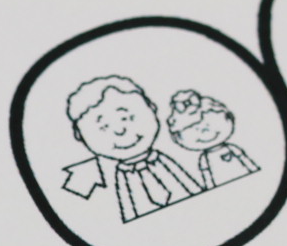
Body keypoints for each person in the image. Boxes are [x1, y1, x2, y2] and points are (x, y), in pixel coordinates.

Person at [59, 76, 203, 221]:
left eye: (126, 118)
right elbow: (130, 210)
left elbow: (190, 187)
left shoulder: (162, 161)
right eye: (104, 127)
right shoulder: (124, 176)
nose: (120, 130)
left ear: (151, 108)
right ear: (80, 135)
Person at [163, 88, 260, 187]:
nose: (205, 131)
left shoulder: (233, 149)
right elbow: (207, 175)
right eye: (195, 129)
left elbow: (246, 161)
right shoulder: (204, 159)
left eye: (209, 124)